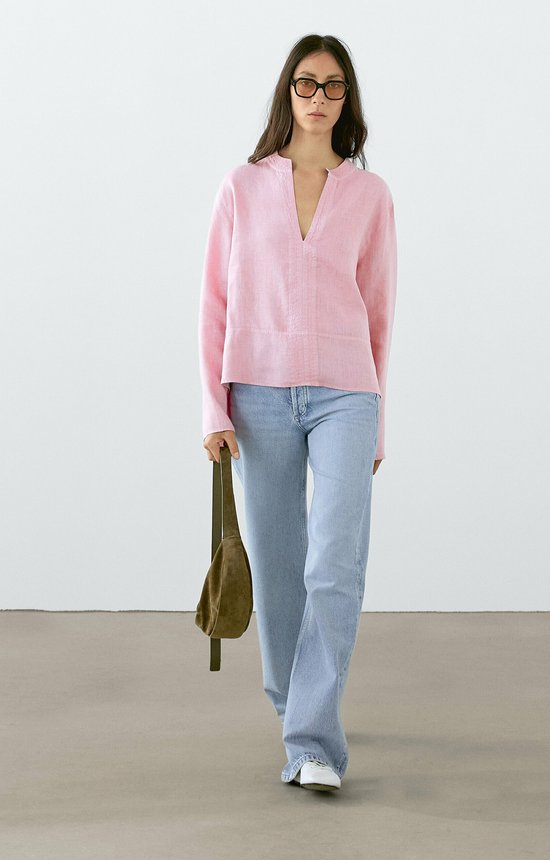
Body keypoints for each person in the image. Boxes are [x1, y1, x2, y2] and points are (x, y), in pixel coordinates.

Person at [198, 34, 397, 792]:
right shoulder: (242, 187)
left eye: (334, 85)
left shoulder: (370, 196)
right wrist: (213, 406)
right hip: (258, 393)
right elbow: (214, 302)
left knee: (334, 560)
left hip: (347, 392)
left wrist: (379, 421)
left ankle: (313, 741)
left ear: (348, 99)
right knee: (280, 567)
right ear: (288, 92)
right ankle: (296, 703)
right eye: (307, 83)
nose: (319, 97)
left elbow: (379, 312)